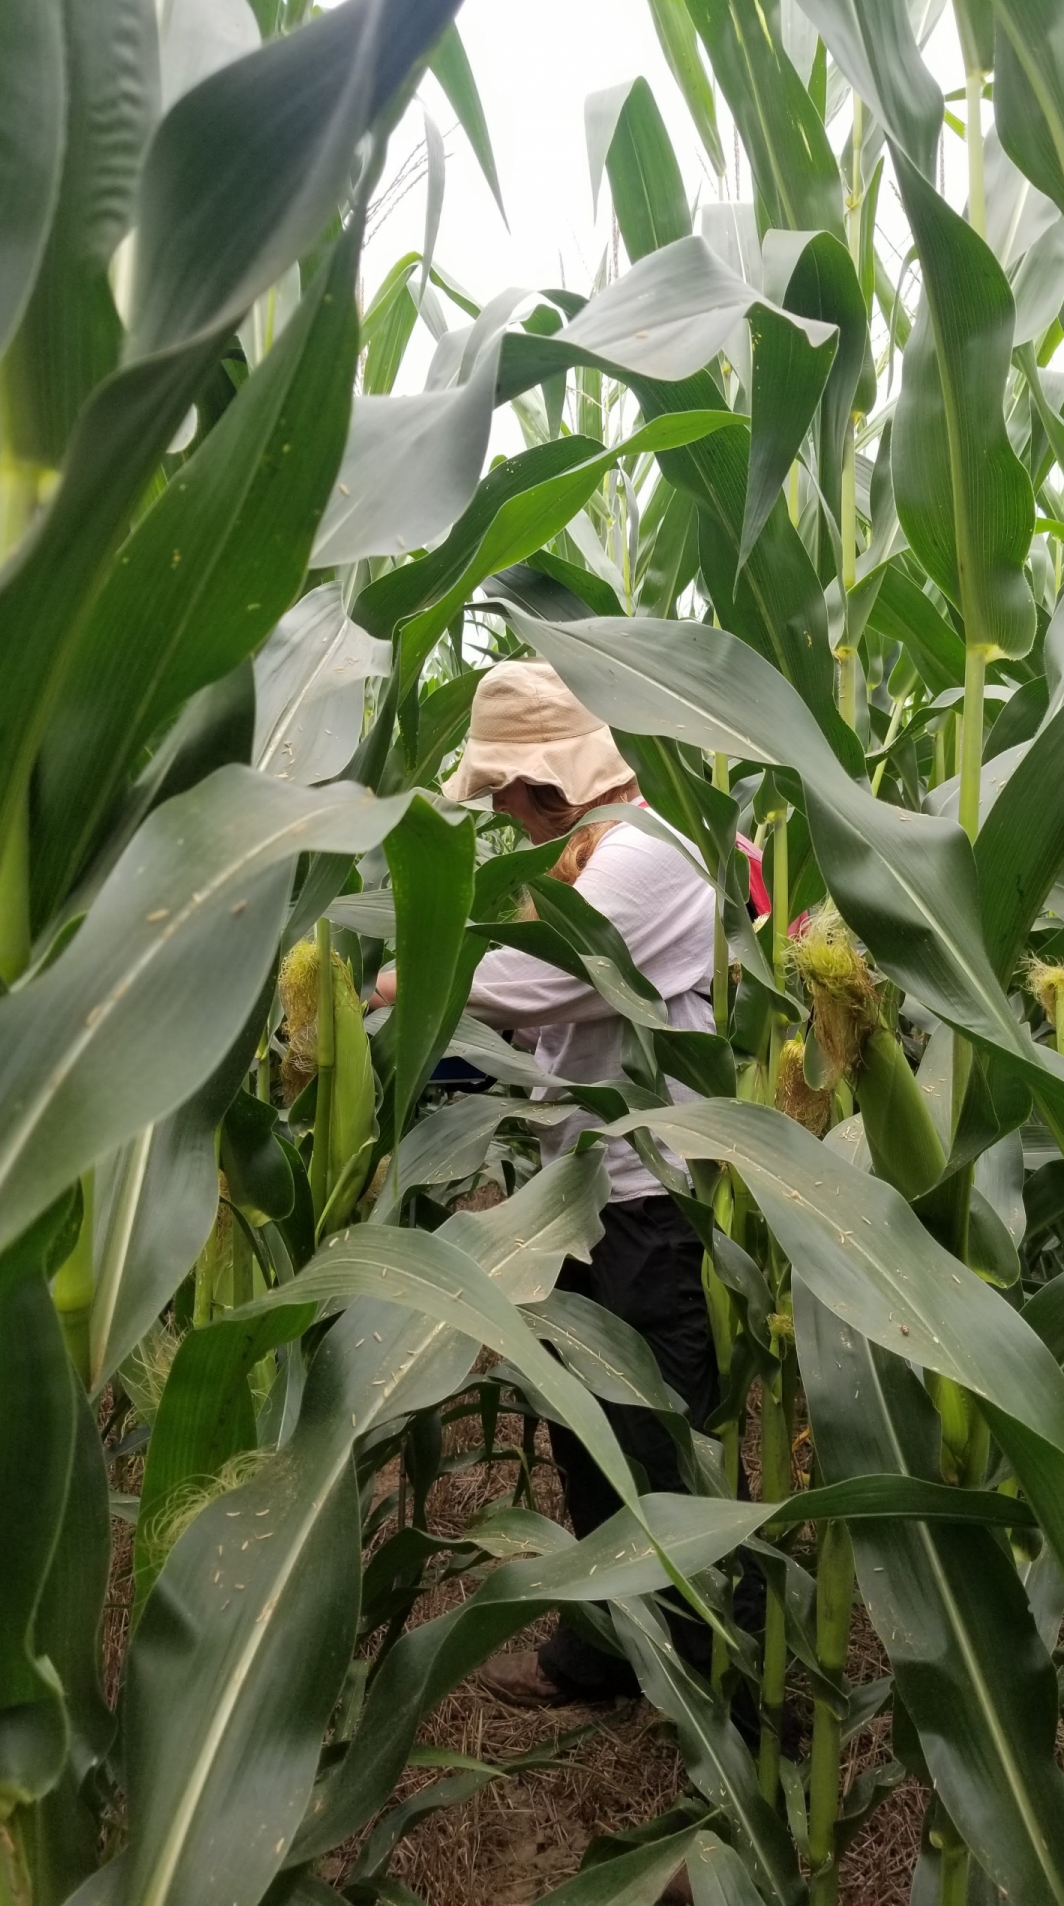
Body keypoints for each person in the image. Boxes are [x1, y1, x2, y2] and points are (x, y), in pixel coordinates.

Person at [375, 659, 724, 1706]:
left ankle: (726, 1683)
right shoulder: (591, 857)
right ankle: (607, 1648)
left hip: (647, 1193)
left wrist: (402, 975)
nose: (504, 816)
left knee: (658, 1440)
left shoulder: (647, 853)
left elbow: (540, 981)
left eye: (506, 794)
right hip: (586, 1190)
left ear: (548, 781)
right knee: (586, 1425)